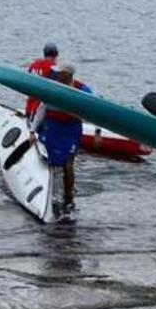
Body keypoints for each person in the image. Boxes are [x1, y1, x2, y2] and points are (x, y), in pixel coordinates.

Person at [28, 62, 93, 214]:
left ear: (68, 75)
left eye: (60, 73)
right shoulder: (52, 87)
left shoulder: (83, 90)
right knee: (49, 160)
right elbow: (42, 109)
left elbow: (93, 110)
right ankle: (45, 191)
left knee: (68, 164)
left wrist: (96, 132)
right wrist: (32, 130)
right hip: (52, 128)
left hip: (70, 131)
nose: (57, 75)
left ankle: (68, 197)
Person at [25, 42, 60, 118]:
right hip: (41, 111)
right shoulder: (53, 67)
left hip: (29, 107)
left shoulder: (34, 65)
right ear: (56, 54)